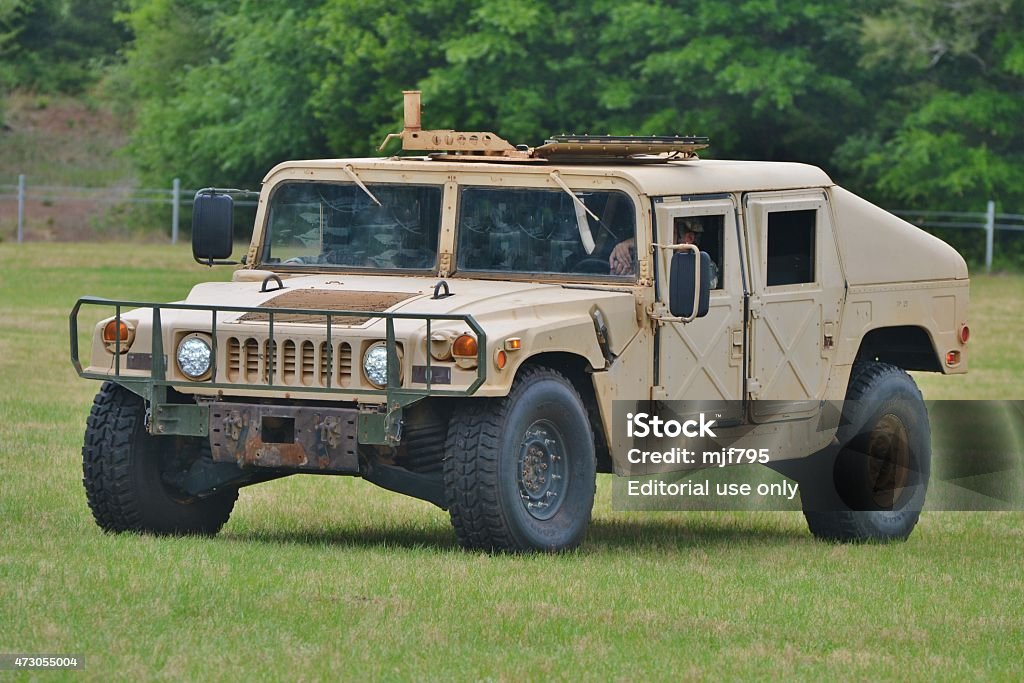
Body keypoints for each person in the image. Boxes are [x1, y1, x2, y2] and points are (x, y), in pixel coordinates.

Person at [609, 217, 718, 287]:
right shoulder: (658, 258)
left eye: (670, 232)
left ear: (689, 238)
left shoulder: (703, 268)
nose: (658, 239)